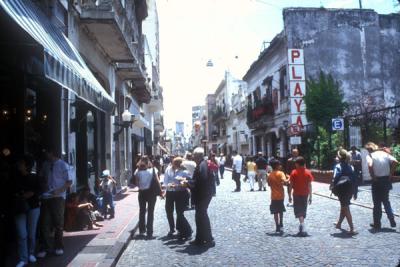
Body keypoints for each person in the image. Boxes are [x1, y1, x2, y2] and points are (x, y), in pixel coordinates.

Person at [37, 149, 72, 258]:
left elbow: (69, 181)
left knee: (58, 223)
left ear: (51, 152)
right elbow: (41, 177)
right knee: (44, 223)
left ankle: (59, 247)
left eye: (47, 152)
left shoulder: (63, 165)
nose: (45, 154)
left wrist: (59, 190)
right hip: (46, 196)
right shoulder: (45, 165)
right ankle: (45, 247)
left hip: (58, 197)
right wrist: (43, 187)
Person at [13, 154, 42, 267]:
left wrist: (32, 193)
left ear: (27, 165)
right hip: (19, 207)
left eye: (21, 163)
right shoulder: (14, 177)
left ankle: (30, 253)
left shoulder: (34, 177)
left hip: (33, 207)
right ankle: (23, 258)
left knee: (31, 232)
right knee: (22, 233)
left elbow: (39, 190)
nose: (19, 165)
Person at [365, 142, 398, 229]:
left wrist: (373, 176)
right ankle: (391, 219)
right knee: (386, 201)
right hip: (386, 179)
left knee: (377, 203)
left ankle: (377, 223)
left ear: (369, 149)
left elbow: (370, 165)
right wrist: (390, 174)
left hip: (377, 181)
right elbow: (395, 162)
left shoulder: (370, 156)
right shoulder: (385, 154)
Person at [189, 147, 215, 247]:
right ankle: (199, 238)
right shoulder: (201, 164)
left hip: (203, 195)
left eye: (194, 156)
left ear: (197, 156)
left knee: (202, 215)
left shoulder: (202, 165)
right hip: (204, 194)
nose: (193, 158)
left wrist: (189, 183)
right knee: (199, 216)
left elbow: (201, 180)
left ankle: (209, 239)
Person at [163, 157, 193, 240]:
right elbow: (165, 181)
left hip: (180, 193)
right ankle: (172, 229)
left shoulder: (185, 172)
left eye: (176, 164)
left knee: (179, 213)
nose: (174, 165)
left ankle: (182, 230)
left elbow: (188, 182)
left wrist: (181, 184)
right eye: (174, 163)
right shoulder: (168, 170)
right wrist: (167, 186)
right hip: (170, 192)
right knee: (169, 211)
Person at [135, 156, 164, 238]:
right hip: (151, 193)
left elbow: (137, 184)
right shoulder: (153, 170)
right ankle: (149, 231)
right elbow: (158, 181)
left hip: (142, 193)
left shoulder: (137, 171)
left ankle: (141, 230)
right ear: (149, 162)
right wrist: (161, 191)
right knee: (151, 212)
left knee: (142, 211)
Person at [332, 149, 358, 235]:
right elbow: (355, 180)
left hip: (341, 189)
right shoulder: (351, 167)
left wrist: (333, 187)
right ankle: (339, 224)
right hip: (350, 188)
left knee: (345, 207)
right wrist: (355, 192)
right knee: (344, 206)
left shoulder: (338, 166)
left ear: (339, 157)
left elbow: (335, 177)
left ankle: (352, 228)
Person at [288, 156, 313, 236]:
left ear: (297, 164)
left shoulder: (294, 172)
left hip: (297, 194)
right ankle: (302, 224)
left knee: (298, 210)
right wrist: (311, 196)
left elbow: (291, 185)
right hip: (305, 194)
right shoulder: (308, 172)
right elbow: (310, 185)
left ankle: (302, 225)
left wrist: (289, 195)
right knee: (303, 209)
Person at [267, 159, 290, 233]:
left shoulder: (270, 174)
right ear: (277, 166)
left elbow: (269, 184)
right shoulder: (281, 173)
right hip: (280, 195)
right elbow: (285, 182)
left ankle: (277, 226)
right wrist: (289, 177)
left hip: (273, 195)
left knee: (275, 212)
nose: (280, 166)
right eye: (279, 164)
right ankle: (281, 223)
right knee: (281, 210)